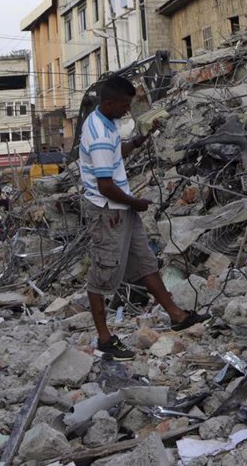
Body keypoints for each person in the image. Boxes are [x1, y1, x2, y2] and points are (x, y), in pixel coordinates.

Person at [81, 74, 205, 360]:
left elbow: (115, 155)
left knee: (145, 262)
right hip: (108, 211)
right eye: (124, 105)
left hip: (122, 209)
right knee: (103, 273)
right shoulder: (98, 133)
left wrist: (140, 140)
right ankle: (104, 338)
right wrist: (136, 202)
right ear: (109, 102)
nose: (127, 111)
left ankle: (176, 315)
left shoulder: (107, 123)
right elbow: (105, 185)